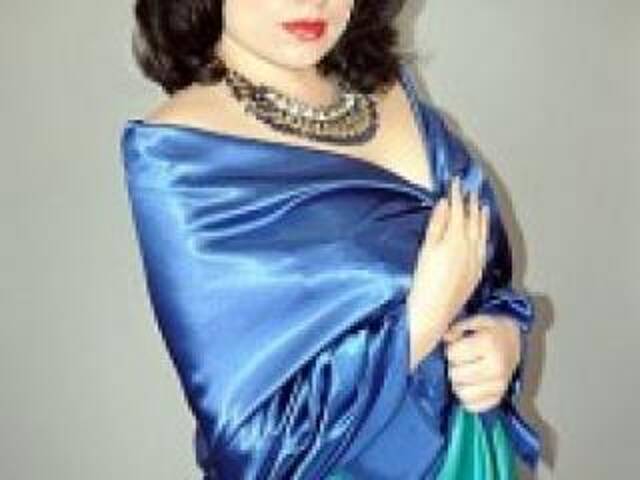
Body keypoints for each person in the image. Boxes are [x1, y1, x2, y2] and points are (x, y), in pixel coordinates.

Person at [120, 0, 541, 478]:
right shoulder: (178, 156)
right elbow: (256, 451)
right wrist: (421, 322)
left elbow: (484, 275)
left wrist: (501, 337)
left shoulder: (391, 92)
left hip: (473, 455)